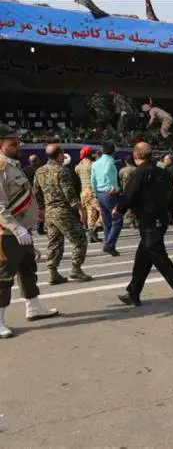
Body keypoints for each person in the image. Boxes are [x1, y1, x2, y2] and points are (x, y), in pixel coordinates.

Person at [115, 143, 173, 310]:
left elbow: (130, 194)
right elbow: (172, 198)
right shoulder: (162, 172)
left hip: (148, 221)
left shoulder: (140, 173)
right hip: (161, 220)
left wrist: (119, 209)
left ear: (136, 155)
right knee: (143, 257)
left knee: (161, 260)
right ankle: (133, 292)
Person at [0, 125, 61, 339]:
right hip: (6, 232)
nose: (18, 146)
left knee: (27, 268)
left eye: (18, 142)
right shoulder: (0, 167)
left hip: (22, 230)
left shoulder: (13, 165)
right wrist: (16, 228)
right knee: (4, 277)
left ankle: (33, 306)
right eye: (12, 143)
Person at [33, 144, 94, 284]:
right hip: (63, 211)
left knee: (54, 242)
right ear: (59, 155)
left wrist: (41, 209)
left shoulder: (39, 171)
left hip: (49, 212)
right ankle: (76, 269)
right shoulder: (62, 171)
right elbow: (69, 194)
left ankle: (52, 272)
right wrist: (81, 210)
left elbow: (36, 193)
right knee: (79, 239)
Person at [91, 141, 122, 256]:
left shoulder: (95, 163)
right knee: (117, 220)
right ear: (113, 150)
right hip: (109, 193)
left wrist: (96, 192)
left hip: (99, 193)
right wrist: (115, 189)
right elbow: (110, 177)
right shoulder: (110, 162)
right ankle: (109, 245)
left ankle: (110, 245)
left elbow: (93, 180)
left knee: (107, 221)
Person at [75, 146, 102, 243]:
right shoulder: (93, 165)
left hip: (83, 192)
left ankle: (92, 236)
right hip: (92, 191)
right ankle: (95, 229)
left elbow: (77, 172)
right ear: (90, 154)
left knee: (91, 213)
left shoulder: (78, 166)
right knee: (104, 211)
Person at [23, 154, 45, 235]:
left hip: (27, 192)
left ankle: (28, 227)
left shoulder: (24, 169)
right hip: (37, 192)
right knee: (40, 209)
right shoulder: (39, 170)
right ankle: (40, 228)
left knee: (28, 211)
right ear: (37, 161)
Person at [119, 155, 138, 229]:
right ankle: (132, 221)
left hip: (125, 190)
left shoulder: (121, 170)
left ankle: (132, 222)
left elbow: (120, 181)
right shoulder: (136, 169)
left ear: (126, 162)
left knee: (129, 206)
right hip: (134, 190)